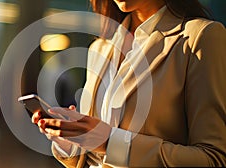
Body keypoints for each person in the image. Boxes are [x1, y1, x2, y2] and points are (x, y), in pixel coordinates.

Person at [32, 0, 226, 167]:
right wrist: (70, 139)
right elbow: (94, 158)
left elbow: (213, 158)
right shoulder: (99, 48)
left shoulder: (201, 38)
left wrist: (111, 142)